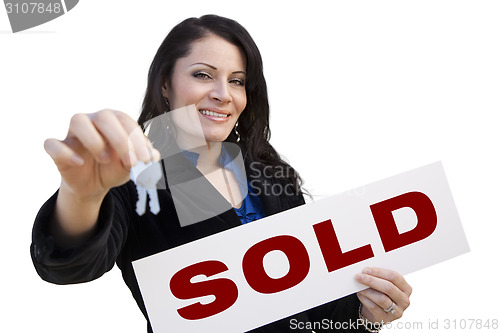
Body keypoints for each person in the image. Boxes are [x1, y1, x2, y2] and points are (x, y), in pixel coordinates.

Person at [31, 15, 412, 332]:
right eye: (202, 75)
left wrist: (366, 315)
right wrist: (81, 194)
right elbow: (67, 265)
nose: (223, 93)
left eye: (236, 80)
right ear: (165, 83)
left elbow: (311, 303)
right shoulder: (133, 177)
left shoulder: (268, 171)